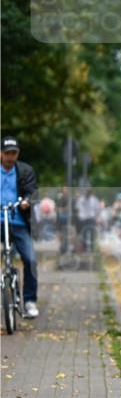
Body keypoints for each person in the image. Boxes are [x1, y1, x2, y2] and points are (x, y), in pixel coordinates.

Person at [0, 136, 39, 319]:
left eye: (13, 153)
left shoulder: (25, 171)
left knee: (30, 260)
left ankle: (30, 301)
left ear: (18, 154)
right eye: (7, 153)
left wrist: (27, 201)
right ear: (1, 154)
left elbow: (32, 192)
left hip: (18, 223)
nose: (10, 157)